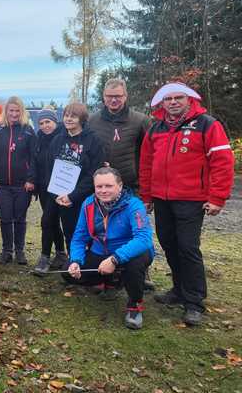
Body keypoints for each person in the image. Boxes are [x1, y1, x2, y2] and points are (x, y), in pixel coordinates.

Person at [139, 82, 234, 326]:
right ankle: (178, 290)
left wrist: (217, 198)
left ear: (189, 99)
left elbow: (222, 162)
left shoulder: (208, 124)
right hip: (161, 198)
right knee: (169, 244)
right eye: (168, 99)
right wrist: (146, 196)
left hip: (191, 200)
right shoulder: (156, 128)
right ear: (162, 103)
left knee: (188, 248)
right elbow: (147, 164)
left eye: (178, 98)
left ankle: (194, 302)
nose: (172, 102)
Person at [65, 167, 155, 330]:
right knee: (68, 273)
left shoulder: (134, 205)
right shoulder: (88, 203)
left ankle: (135, 305)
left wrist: (115, 259)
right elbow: (79, 236)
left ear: (119, 186)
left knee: (134, 265)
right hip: (101, 251)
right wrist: (76, 260)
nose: (103, 190)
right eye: (99, 187)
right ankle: (112, 281)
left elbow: (143, 239)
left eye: (108, 186)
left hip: (130, 253)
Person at [88, 78, 154, 289]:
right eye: (109, 96)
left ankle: (140, 272)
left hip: (132, 188)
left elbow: (150, 156)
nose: (113, 100)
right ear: (104, 97)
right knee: (102, 230)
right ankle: (106, 275)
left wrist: (146, 193)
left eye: (118, 96)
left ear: (125, 96)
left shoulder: (141, 120)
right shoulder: (93, 120)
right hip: (102, 188)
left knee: (135, 231)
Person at [46, 102, 104, 254]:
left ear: (82, 119)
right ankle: (73, 263)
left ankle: (85, 267)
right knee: (67, 232)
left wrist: (73, 196)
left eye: (73, 116)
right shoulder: (57, 140)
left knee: (83, 233)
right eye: (66, 115)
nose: (69, 119)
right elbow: (50, 169)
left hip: (82, 197)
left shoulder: (93, 141)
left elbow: (94, 172)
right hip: (60, 196)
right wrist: (56, 195)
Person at [0, 96, 36, 264]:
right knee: (5, 218)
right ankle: (7, 250)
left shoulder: (28, 131)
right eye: (11, 111)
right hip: (2, 185)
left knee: (20, 218)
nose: (14, 114)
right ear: (6, 112)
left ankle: (20, 251)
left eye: (17, 111)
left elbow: (33, 158)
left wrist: (31, 179)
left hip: (22, 185)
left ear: (21, 112)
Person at [31, 108, 67, 275]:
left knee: (63, 223)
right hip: (45, 189)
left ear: (55, 121)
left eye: (48, 122)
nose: (45, 126)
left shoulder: (63, 137)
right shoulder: (38, 139)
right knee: (50, 221)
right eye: (42, 123)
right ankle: (57, 253)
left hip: (63, 189)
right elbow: (35, 162)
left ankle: (62, 257)